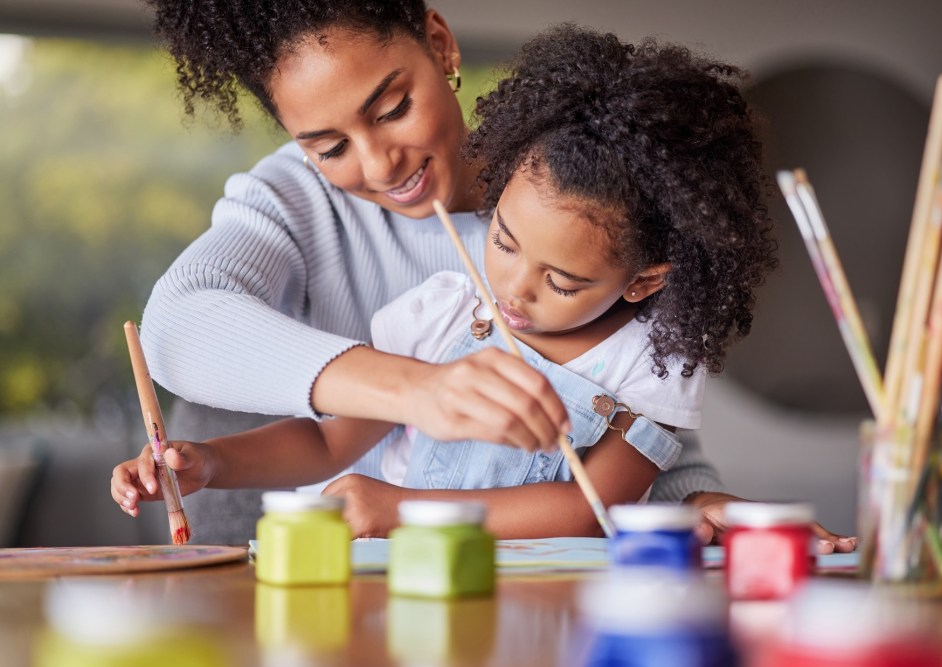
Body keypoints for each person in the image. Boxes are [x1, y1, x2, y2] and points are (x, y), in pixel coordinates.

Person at [115, 24, 855, 548]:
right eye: (330, 146)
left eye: (393, 108)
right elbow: (309, 428)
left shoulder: (611, 287)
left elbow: (601, 496)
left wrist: (686, 504)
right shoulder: (446, 305)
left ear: (441, 46)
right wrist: (213, 463)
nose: (377, 165)